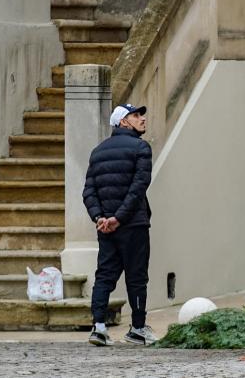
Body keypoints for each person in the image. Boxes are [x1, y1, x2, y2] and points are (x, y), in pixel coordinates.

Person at [83, 104, 156, 347]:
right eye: (136, 115)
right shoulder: (141, 148)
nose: (142, 119)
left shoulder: (97, 151)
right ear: (123, 122)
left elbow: (89, 191)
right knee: (136, 277)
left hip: (106, 227)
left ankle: (99, 327)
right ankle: (137, 328)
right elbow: (138, 188)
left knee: (104, 275)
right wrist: (119, 218)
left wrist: (100, 218)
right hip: (132, 224)